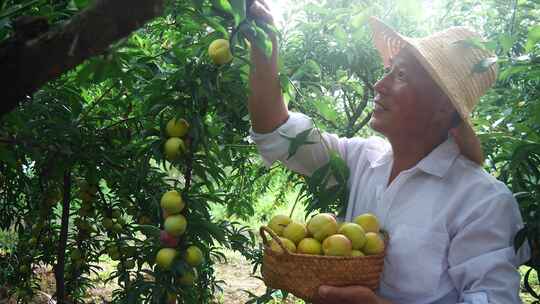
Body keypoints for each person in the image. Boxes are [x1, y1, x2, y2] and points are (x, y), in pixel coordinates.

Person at [246, 1, 531, 304]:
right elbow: (275, 131)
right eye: (388, 71)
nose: (379, 85)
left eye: (402, 75)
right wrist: (265, 44)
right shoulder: (363, 159)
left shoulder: (481, 201)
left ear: (443, 107)